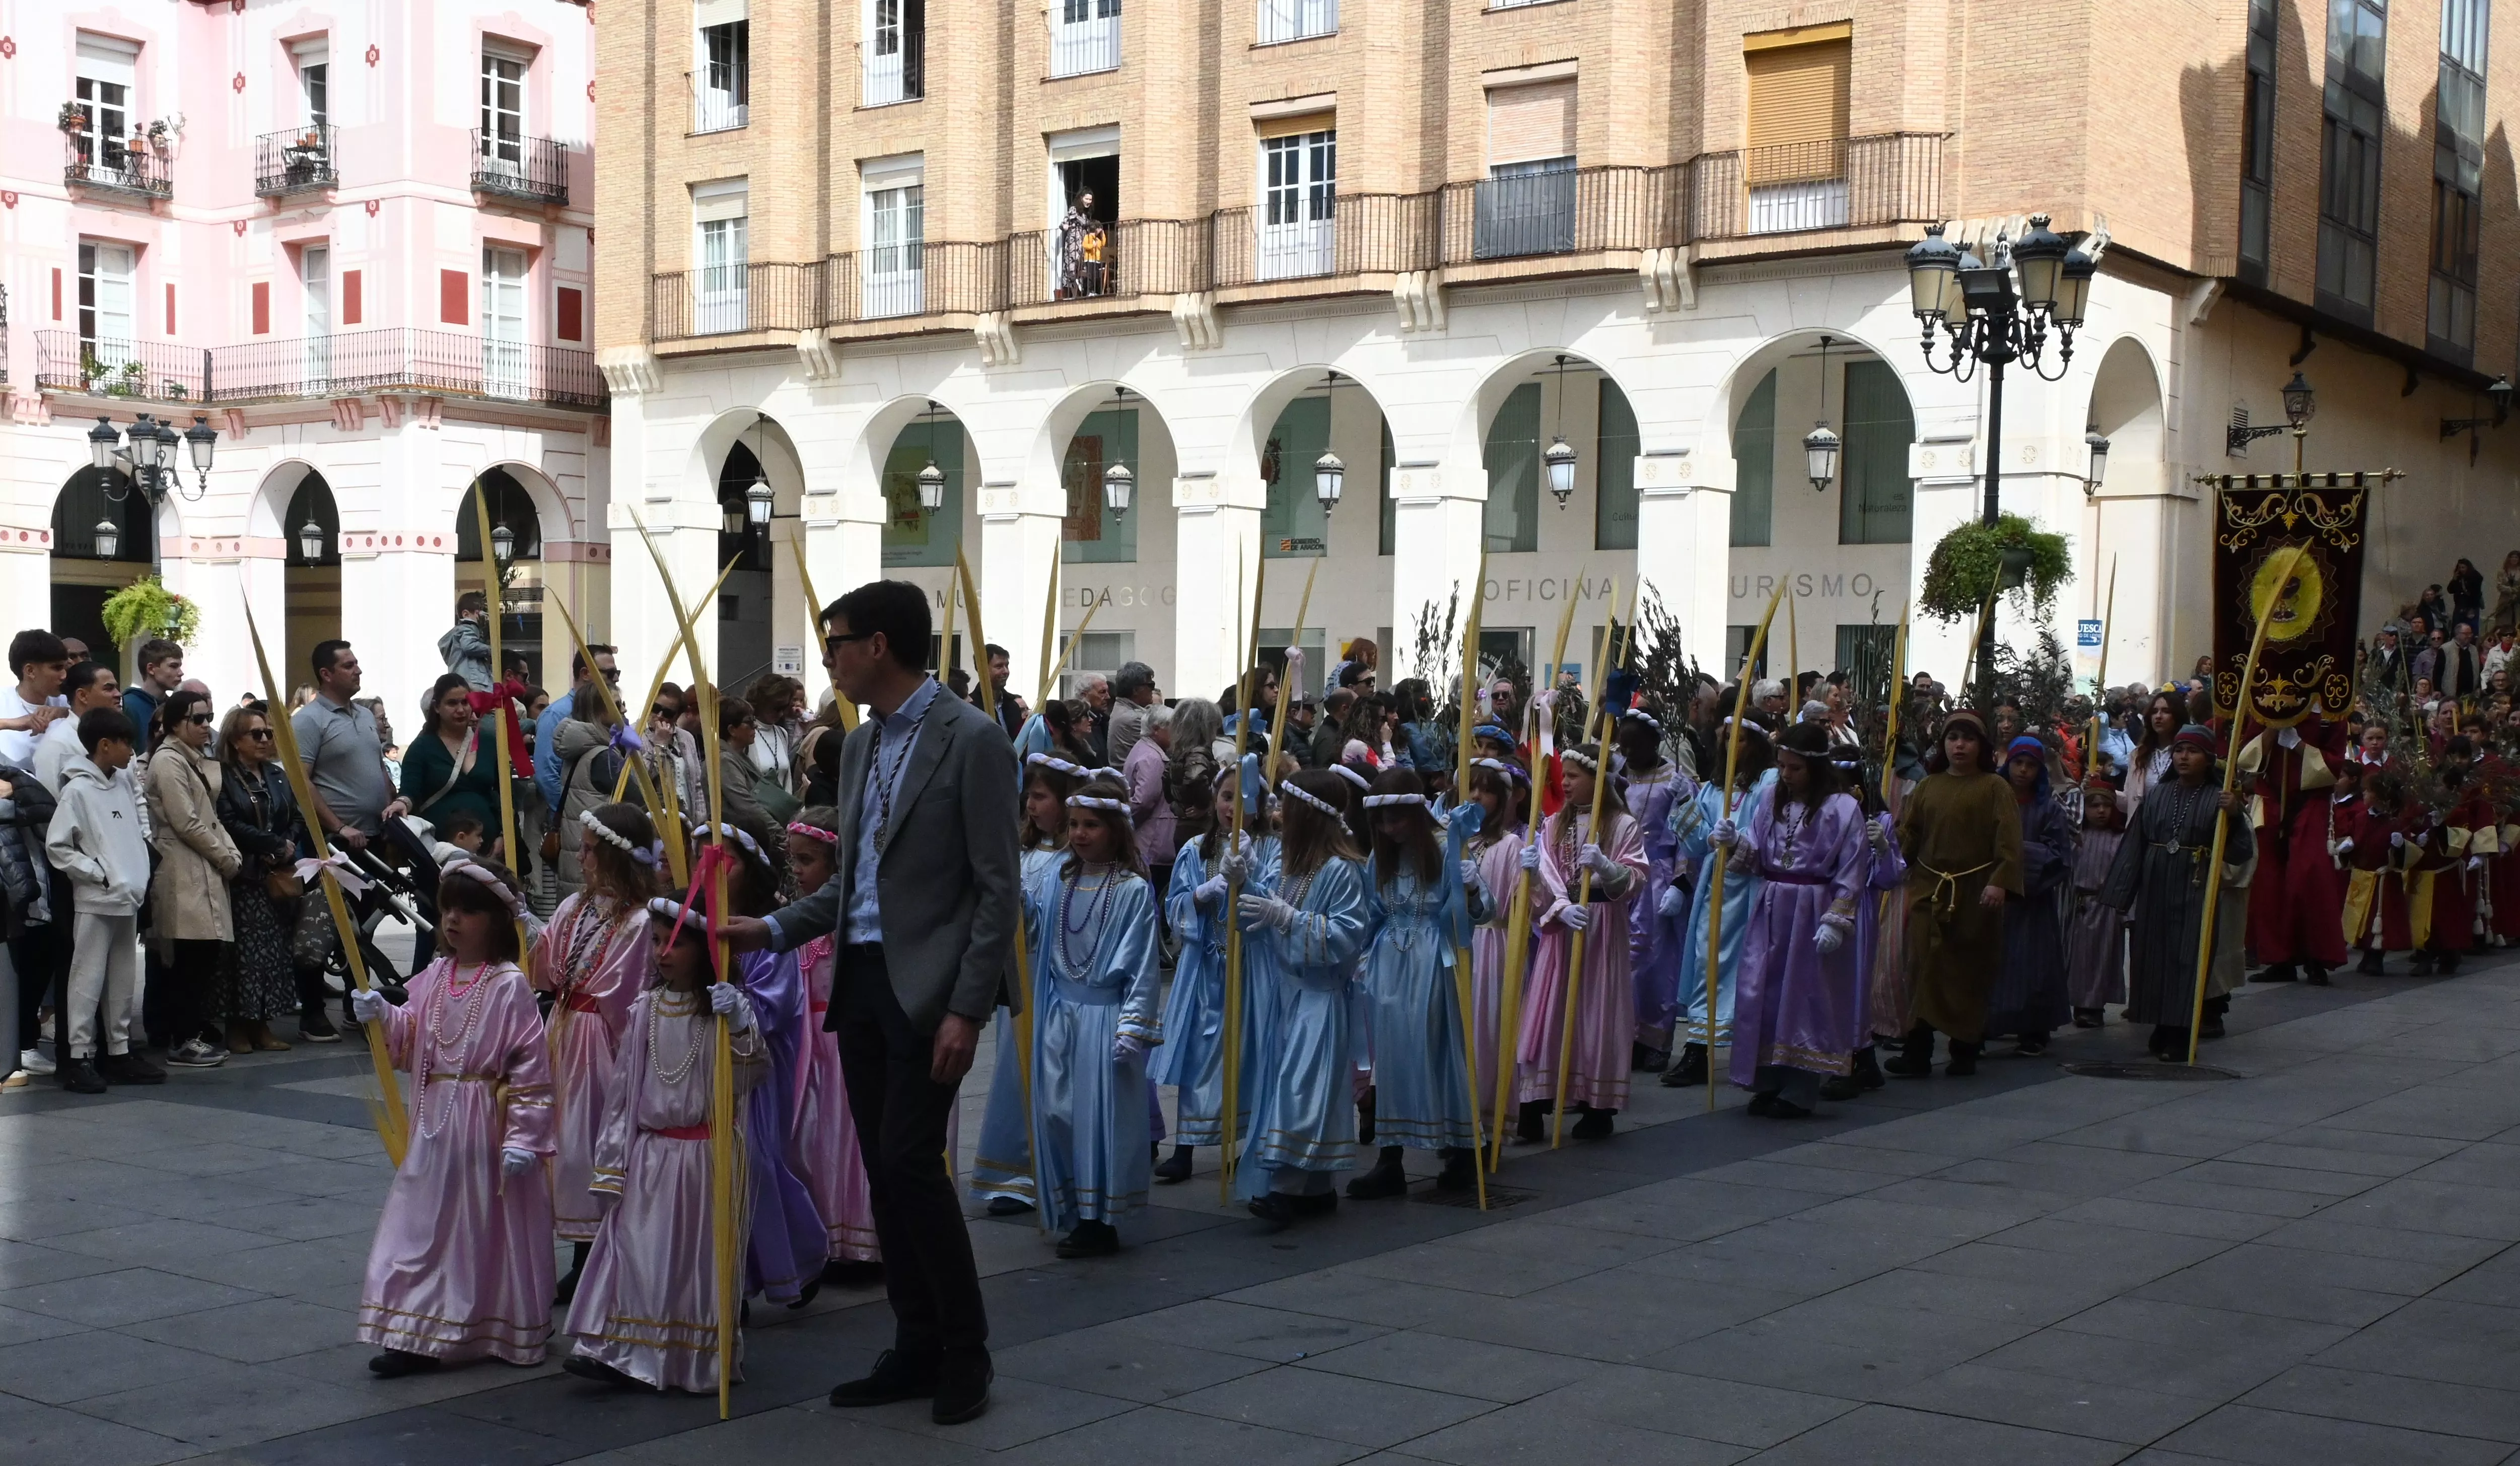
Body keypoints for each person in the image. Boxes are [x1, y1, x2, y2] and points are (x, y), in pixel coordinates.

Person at [718, 579, 1016, 1427]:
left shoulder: (972, 739)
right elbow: (854, 885)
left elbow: (996, 890)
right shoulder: (854, 747)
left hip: (931, 991)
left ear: (877, 645)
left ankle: (966, 1348)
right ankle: (914, 1342)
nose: (829, 661)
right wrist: (768, 928)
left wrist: (966, 1008)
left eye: (835, 644)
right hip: (863, 981)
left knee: (913, 1165)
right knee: (887, 1174)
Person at [562, 890, 765, 1394]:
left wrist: (740, 1026)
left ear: (704, 948)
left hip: (705, 1155)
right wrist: (611, 1163)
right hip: (650, 1156)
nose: (661, 953)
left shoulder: (724, 1011)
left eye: (673, 943)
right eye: (656, 942)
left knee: (690, 1264)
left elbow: (751, 1076)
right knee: (634, 1253)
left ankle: (685, 1358)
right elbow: (622, 1094)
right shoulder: (645, 1009)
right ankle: (619, 1349)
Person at [1014, 774, 1160, 1256]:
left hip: (1104, 1015)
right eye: (1074, 824)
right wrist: (1017, 900)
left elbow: (1141, 965)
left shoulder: (1133, 889)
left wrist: (1133, 1026)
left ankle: (1100, 1220)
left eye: (1091, 825)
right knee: (1059, 1112)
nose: (1078, 834)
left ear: (1115, 829)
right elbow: (1038, 934)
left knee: (1101, 1118)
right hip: (1060, 1013)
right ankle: (1072, 1206)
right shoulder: (1064, 878)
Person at [535, 802, 660, 1304]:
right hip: (563, 1030)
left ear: (614, 857)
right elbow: (545, 965)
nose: (581, 859)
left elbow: (625, 994)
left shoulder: (639, 921)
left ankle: (595, 1255)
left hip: (598, 1043)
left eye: (590, 851)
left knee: (591, 1145)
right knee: (563, 1145)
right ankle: (578, 1250)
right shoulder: (573, 907)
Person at [1233, 768, 1370, 1228]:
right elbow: (1263, 913)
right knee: (1293, 1086)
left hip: (1319, 996)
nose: (1277, 815)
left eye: (1286, 807)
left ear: (1309, 814)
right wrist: (1244, 884)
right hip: (1287, 994)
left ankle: (1285, 1190)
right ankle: (1315, 1187)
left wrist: (1289, 918)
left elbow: (1347, 936)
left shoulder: (1341, 870)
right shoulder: (1291, 865)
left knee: (1301, 1088)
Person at [1719, 721, 1868, 1116]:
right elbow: (1754, 852)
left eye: (1795, 768)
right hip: (1771, 906)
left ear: (1816, 767)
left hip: (1812, 910)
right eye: (1782, 766)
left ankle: (1800, 1088)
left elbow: (1853, 866)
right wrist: (1734, 841)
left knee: (1804, 996)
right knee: (1762, 993)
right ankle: (1767, 1080)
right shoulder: (1770, 799)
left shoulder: (1843, 808)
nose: (1786, 775)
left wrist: (1837, 919)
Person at [1347, 770, 1484, 1195]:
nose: (1389, 829)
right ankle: (1391, 1158)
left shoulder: (1448, 847)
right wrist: (1361, 958)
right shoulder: (1380, 857)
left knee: (1440, 1052)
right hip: (1390, 964)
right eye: (1382, 822)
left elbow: (1481, 912)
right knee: (1392, 1057)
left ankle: (1461, 1150)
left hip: (1436, 962)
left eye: (1397, 819)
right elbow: (1371, 912)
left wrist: (1473, 890)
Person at [1514, 742, 1646, 1139]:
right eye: (1564, 775)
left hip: (1602, 926)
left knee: (1597, 1011)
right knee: (1548, 1010)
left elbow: (1637, 878)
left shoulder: (1621, 824)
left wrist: (1607, 868)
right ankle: (1534, 1104)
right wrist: (1554, 902)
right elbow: (1550, 875)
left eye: (1573, 776)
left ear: (1597, 779)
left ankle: (1597, 1105)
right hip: (1563, 929)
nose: (1565, 783)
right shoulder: (1553, 824)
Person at [968, 754, 1080, 1212]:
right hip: (1023, 977)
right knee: (1016, 1071)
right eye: (1028, 797)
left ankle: (1058, 1170)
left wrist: (1026, 906)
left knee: (1054, 1074)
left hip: (1057, 978)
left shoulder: (1075, 860)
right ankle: (1014, 1174)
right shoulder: (1022, 852)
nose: (1031, 806)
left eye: (1041, 796)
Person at [2100, 725, 2252, 1059]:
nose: (2183, 757)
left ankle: (2182, 1031)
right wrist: (2119, 894)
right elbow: (2136, 843)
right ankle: (2161, 1024)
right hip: (2158, 884)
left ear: (2209, 758)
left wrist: (2235, 815)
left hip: (2195, 885)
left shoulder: (2219, 798)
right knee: (2154, 954)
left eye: (2192, 751)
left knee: (2189, 957)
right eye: (2179, 750)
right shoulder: (2158, 794)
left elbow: (2240, 851)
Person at [1888, 710, 2023, 1077]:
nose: (1959, 745)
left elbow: (2009, 841)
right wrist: (1886, 840)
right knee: (1922, 966)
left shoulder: (1995, 788)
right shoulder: (1929, 787)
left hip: (1975, 892)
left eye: (1967, 738)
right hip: (1928, 890)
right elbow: (1910, 836)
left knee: (1966, 969)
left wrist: (2000, 880)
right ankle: (1918, 1049)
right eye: (1952, 738)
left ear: (1981, 746)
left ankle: (1965, 1045)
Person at [783, 809, 882, 1280]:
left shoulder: (854, 917)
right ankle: (821, 1236)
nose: (798, 869)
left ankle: (862, 1243)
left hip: (845, 1040)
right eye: (794, 860)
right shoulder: (795, 917)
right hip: (809, 1048)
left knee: (853, 1143)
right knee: (813, 1143)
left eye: (808, 860)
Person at [41, 708, 160, 1093]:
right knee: (86, 978)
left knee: (123, 980)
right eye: (126, 742)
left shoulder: (122, 784)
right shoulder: (77, 789)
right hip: (96, 899)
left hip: (128, 897)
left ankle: (119, 1050)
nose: (132, 750)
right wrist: (97, 873)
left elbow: (131, 833)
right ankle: (78, 1056)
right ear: (104, 745)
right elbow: (58, 846)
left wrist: (137, 870)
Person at [1152, 775, 1253, 1184]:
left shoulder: (1265, 849)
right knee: (1197, 1054)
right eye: (1227, 797)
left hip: (1248, 969)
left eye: (1243, 800)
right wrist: (1203, 892)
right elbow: (1173, 905)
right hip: (1203, 969)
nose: (1233, 807)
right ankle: (1186, 1147)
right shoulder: (1196, 850)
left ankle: (1247, 1144)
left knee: (1248, 1054)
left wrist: (1249, 877)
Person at [1666, 718, 1774, 1089]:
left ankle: (1756, 1051)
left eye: (1741, 739)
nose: (1733, 746)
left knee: (1751, 967)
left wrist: (1739, 837)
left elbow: (1770, 833)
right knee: (1706, 962)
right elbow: (1696, 844)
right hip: (1715, 889)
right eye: (1727, 739)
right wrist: (1685, 803)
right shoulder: (1713, 789)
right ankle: (1699, 1048)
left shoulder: (1768, 782)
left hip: (1752, 890)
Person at [144, 688, 242, 1070]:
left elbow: (212, 816)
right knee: (188, 957)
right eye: (197, 719)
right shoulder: (168, 761)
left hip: (203, 865)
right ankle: (182, 1038)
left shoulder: (195, 758)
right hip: (183, 867)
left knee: (202, 955)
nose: (206, 726)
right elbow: (185, 821)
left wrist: (229, 852)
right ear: (175, 723)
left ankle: (189, 1032)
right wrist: (225, 857)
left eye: (208, 718)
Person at [215, 704, 312, 1051]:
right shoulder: (223, 776)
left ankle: (263, 1024)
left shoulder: (277, 773)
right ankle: (238, 1025)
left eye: (268, 733)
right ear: (236, 740)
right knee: (244, 957)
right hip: (245, 875)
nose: (265, 739)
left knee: (273, 954)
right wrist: (272, 843)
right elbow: (228, 821)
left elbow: (297, 815)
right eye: (256, 734)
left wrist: (288, 844)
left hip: (278, 873)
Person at [2238, 715, 2348, 986]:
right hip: (2272, 796)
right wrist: (2272, 729)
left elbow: (2334, 764)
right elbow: (2246, 755)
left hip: (2312, 798)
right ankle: (2279, 959)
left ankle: (2315, 956)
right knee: (2269, 883)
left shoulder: (2331, 711)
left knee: (2308, 875)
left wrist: (2299, 745)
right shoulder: (2265, 707)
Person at [1985, 735, 2073, 1057]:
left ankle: (2034, 1029)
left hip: (2031, 902)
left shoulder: (2048, 809)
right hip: (1991, 897)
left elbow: (2060, 856)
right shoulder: (1990, 802)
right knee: (1992, 964)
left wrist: (2015, 858)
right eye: (2018, 763)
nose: (2023, 771)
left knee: (2033, 966)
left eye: (2031, 765)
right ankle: (1988, 1022)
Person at [1615, 709, 1689, 1072]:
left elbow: (1685, 834)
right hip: (1621, 875)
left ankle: (1658, 1037)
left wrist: (1681, 879)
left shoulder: (1674, 779)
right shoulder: (1616, 777)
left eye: (1634, 744)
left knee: (1657, 958)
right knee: (1624, 956)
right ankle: (1626, 1034)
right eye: (1622, 744)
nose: (1626, 751)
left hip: (1657, 875)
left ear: (1654, 743)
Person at [292, 641, 409, 857]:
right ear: (326, 675)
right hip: (337, 842)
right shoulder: (308, 719)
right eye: (348, 666)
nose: (359, 671)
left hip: (376, 836)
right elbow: (300, 782)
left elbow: (379, 768)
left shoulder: (365, 715)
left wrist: (388, 816)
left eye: (356, 664)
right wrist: (339, 827)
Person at [402, 673, 505, 844]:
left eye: (465, 702)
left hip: (490, 848)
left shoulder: (489, 742)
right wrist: (402, 803)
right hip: (440, 850)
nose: (461, 710)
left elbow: (505, 796)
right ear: (436, 707)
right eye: (452, 703)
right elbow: (410, 791)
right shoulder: (421, 747)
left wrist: (504, 837)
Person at [2065, 763, 2129, 1025]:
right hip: (2078, 905)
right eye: (2094, 806)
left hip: (2106, 907)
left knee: (2102, 958)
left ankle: (2095, 1006)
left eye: (2106, 806)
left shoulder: (2120, 840)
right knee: (2078, 958)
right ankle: (2080, 1003)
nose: (2101, 811)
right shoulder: (2076, 837)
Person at [550, 687, 629, 899]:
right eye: (618, 704)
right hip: (597, 866)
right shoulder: (605, 756)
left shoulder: (580, 749)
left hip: (578, 859)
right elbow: (638, 799)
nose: (624, 709)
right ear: (599, 710)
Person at [534, 644, 618, 824]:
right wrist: (572, 814)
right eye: (609, 674)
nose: (616, 679)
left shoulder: (609, 712)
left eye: (617, 673)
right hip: (574, 823)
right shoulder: (556, 714)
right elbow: (547, 775)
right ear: (585, 674)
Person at [1123, 704, 1177, 897]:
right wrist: (1129, 823)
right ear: (1156, 729)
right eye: (1172, 726)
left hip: (1147, 839)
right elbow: (1144, 801)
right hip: (1152, 840)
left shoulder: (1144, 749)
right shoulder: (1152, 758)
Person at [0, 630, 71, 766]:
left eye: (65, 668)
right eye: (57, 668)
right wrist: (11, 723)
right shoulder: (3, 700)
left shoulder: (66, 702)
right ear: (30, 671)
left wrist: (65, 713)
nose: (64, 676)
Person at [121, 639, 183, 755]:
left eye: (180, 666)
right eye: (174, 666)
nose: (180, 673)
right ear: (151, 669)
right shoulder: (128, 705)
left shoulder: (173, 707)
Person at [1105, 662, 1160, 767]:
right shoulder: (1134, 719)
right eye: (1150, 685)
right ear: (1135, 690)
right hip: (1134, 780)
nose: (1153, 690)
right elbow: (1167, 749)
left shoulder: (1122, 708)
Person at [440, 590, 495, 692]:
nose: (485, 616)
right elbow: (468, 646)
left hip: (466, 679)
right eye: (480, 612)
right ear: (466, 614)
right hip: (475, 681)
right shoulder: (468, 627)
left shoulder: (461, 632)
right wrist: (491, 650)